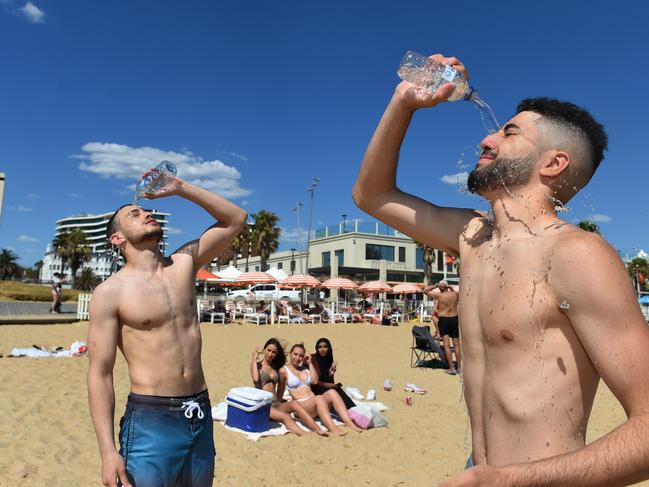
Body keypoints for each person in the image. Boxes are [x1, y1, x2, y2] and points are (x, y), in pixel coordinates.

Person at [353, 53, 649, 485]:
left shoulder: (576, 254)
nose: (487, 140)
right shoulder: (474, 238)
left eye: (510, 132)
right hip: (481, 472)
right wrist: (404, 102)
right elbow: (372, 195)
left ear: (554, 163)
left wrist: (506, 480)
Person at [87, 174, 247, 487]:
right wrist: (107, 451)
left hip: (199, 411)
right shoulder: (110, 292)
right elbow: (100, 374)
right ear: (117, 239)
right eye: (134, 214)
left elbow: (235, 219)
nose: (146, 213)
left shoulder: (183, 265)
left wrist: (181, 189)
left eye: (146, 211)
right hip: (151, 419)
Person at [279, 343, 363, 435]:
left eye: (301, 356)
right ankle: (332, 428)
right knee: (318, 398)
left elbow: (315, 381)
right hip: (301, 407)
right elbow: (281, 390)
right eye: (295, 354)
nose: (297, 358)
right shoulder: (284, 370)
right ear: (290, 354)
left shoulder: (305, 369)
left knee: (332, 392)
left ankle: (348, 422)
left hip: (315, 404)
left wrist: (310, 363)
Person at [250, 339, 326, 436]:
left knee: (294, 403)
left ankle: (316, 428)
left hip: (276, 403)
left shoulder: (275, 367)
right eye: (268, 350)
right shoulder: (257, 365)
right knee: (286, 417)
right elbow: (256, 380)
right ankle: (304, 434)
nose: (270, 354)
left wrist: (281, 400)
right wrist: (253, 359)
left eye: (274, 352)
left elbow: (281, 387)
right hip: (264, 405)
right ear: (264, 350)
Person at [423, 280, 460, 374]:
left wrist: (435, 285)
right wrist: (450, 287)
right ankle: (459, 367)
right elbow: (458, 293)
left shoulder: (439, 296)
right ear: (447, 287)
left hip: (444, 320)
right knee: (456, 345)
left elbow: (425, 291)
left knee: (447, 345)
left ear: (440, 287)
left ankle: (452, 368)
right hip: (454, 319)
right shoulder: (454, 294)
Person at [310, 337, 356, 409]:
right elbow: (312, 380)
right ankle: (351, 408)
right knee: (336, 391)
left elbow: (329, 381)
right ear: (316, 348)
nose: (322, 349)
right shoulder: (312, 359)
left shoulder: (329, 360)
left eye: (325, 347)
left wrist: (331, 374)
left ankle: (352, 408)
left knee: (337, 390)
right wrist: (327, 385)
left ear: (329, 348)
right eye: (320, 347)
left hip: (325, 387)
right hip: (314, 388)